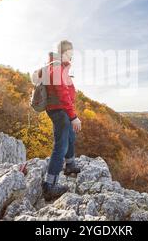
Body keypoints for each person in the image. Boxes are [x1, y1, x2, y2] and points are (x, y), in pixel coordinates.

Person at [42, 40, 82, 201]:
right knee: (61, 145)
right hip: (60, 111)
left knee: (71, 135)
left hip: (59, 109)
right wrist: (73, 116)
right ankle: (49, 185)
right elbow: (63, 94)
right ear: (64, 52)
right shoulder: (57, 68)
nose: (71, 58)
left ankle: (70, 165)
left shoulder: (56, 67)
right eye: (70, 55)